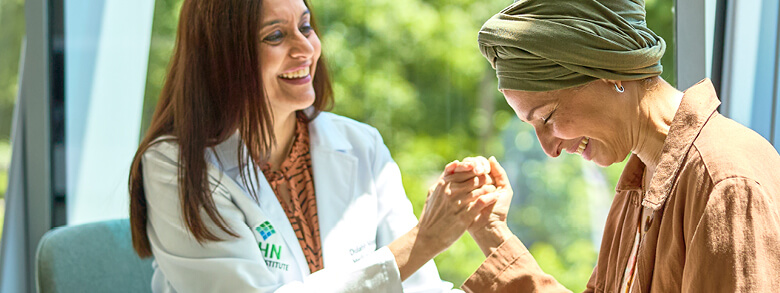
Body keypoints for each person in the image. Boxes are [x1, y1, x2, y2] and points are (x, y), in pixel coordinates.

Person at [127, 0, 498, 292]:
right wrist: (425, 239)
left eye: (305, 26)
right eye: (276, 36)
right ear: (222, 57)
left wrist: (488, 231)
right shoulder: (175, 167)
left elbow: (420, 288)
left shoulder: (360, 144)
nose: (305, 47)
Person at [447, 0, 780, 292]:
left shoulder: (725, 184)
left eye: (547, 118)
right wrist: (491, 232)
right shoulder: (640, 185)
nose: (550, 149)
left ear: (608, 72)